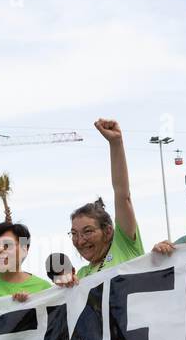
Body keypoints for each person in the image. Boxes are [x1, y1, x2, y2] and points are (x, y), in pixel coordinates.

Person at [62, 118, 144, 284]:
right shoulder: (82, 275)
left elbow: (123, 195)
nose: (80, 240)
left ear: (107, 231)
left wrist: (116, 143)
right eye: (75, 234)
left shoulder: (124, 246)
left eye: (87, 231)